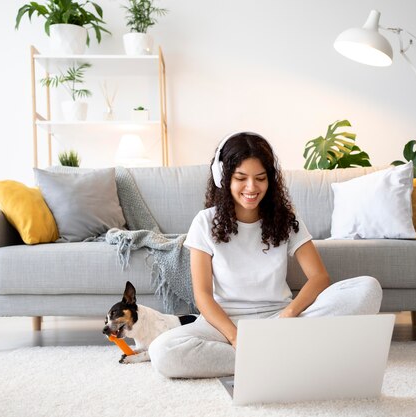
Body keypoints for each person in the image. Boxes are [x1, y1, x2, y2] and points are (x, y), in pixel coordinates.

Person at [148, 132, 382, 378]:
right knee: (163, 351)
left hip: (280, 321)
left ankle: (270, 354)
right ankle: (287, 357)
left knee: (368, 288)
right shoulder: (205, 222)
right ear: (223, 178)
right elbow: (203, 296)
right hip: (224, 324)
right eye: (241, 178)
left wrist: (289, 314)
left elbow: (319, 277)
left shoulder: (286, 218)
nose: (252, 187)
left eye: (260, 178)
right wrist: (235, 337)